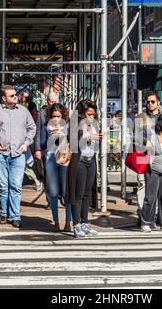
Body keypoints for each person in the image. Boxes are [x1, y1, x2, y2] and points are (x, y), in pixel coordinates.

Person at [0, 85, 36, 228]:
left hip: (18, 154)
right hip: (0, 154)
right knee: (3, 186)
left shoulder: (23, 111)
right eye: (11, 95)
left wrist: (26, 143)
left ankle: (15, 215)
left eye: (15, 95)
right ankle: (3, 214)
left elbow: (32, 128)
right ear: (4, 98)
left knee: (16, 186)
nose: (15, 97)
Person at [68, 99, 103, 238]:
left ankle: (85, 222)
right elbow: (73, 142)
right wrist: (89, 138)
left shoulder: (94, 124)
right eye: (88, 114)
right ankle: (76, 225)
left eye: (93, 114)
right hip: (80, 162)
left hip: (91, 161)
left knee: (87, 194)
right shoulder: (76, 124)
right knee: (78, 194)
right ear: (82, 113)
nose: (91, 117)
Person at [44, 103, 72, 232]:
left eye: (58, 116)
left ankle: (68, 222)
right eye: (53, 116)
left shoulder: (68, 127)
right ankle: (56, 221)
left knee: (67, 192)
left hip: (64, 158)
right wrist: (50, 135)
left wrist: (63, 135)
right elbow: (41, 143)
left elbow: (75, 142)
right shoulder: (46, 127)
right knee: (53, 192)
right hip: (50, 158)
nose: (56, 119)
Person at [135, 91, 162, 227]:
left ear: (158, 103)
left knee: (156, 186)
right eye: (148, 101)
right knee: (142, 183)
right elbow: (135, 135)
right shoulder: (141, 117)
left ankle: (154, 214)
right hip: (143, 154)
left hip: (159, 156)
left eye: (152, 101)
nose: (150, 104)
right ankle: (142, 212)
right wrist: (144, 141)